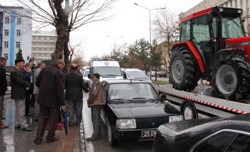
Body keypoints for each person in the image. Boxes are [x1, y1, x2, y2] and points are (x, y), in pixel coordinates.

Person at [34, 59, 65, 145]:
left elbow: (37, 82)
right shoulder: (59, 73)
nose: (63, 68)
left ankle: (38, 138)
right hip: (54, 101)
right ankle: (50, 137)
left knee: (42, 118)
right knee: (53, 119)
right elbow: (60, 90)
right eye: (63, 66)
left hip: (43, 98)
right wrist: (62, 102)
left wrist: (44, 89)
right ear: (60, 64)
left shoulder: (44, 69)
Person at [10, 59, 32, 131]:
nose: (23, 64)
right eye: (22, 63)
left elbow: (24, 78)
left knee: (18, 109)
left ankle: (17, 123)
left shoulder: (18, 71)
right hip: (18, 92)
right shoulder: (14, 71)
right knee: (21, 109)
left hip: (19, 92)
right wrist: (27, 84)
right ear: (17, 63)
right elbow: (19, 81)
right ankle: (24, 125)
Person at [87, 73, 106, 141]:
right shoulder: (100, 83)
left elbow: (94, 94)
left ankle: (95, 135)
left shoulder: (95, 83)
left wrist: (89, 100)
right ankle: (98, 134)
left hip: (95, 103)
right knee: (98, 119)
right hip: (100, 103)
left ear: (96, 77)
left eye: (93, 77)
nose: (92, 78)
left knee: (95, 120)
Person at [0, 57, 8, 129]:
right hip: (0, 91)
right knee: (0, 107)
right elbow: (2, 80)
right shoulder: (1, 69)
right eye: (4, 61)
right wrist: (4, 88)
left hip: (1, 90)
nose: (5, 63)